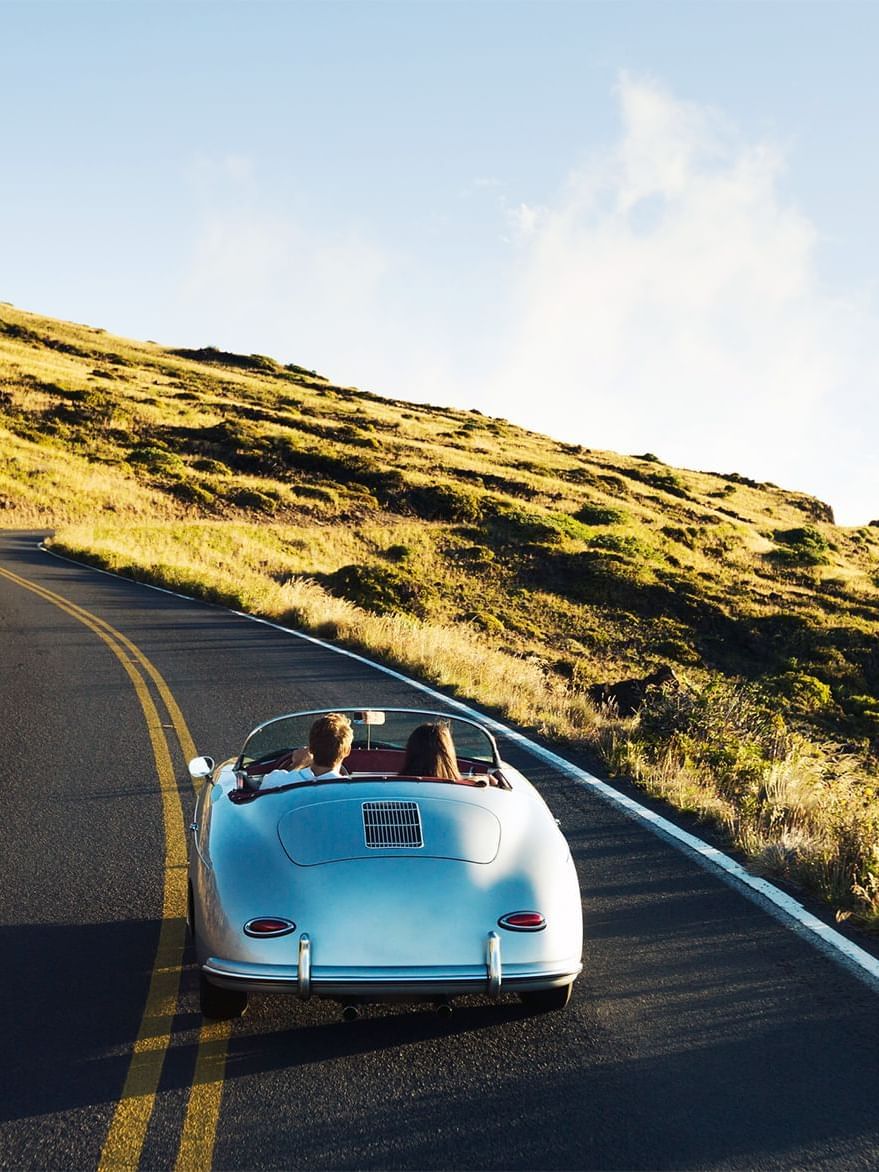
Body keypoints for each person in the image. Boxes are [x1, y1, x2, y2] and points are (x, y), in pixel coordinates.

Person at [261, 712, 354, 786]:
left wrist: (296, 765)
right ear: (347, 751)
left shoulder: (275, 781)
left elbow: (266, 787)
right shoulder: (351, 790)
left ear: (311, 748)